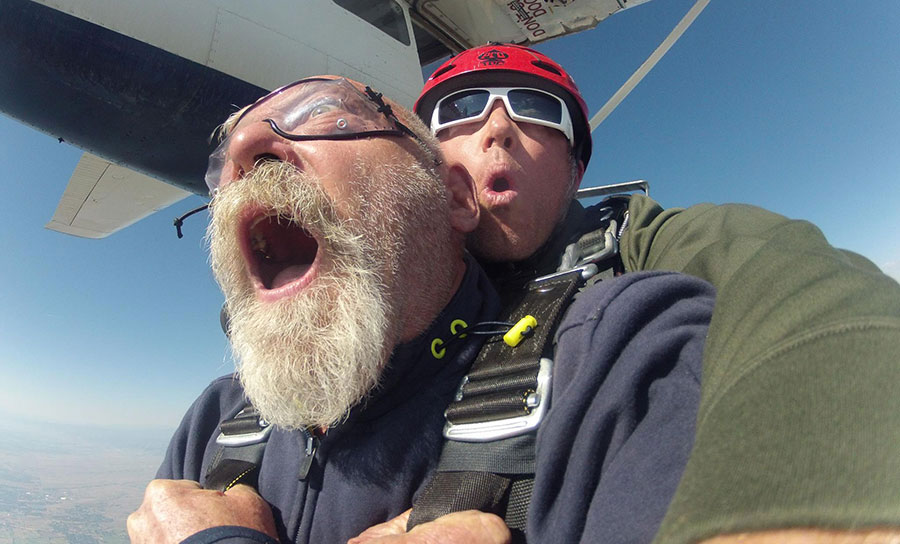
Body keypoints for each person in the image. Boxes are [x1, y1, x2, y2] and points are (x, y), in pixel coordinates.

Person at [127, 76, 718, 543]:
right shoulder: (219, 423)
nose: (243, 152)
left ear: (454, 197)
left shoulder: (616, 362)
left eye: (326, 114)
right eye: (223, 155)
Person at [414, 44, 900, 543]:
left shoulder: (641, 243)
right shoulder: (388, 294)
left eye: (535, 108)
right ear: (429, 162)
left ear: (574, 172)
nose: (498, 128)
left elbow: (792, 280)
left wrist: (817, 510)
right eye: (460, 108)